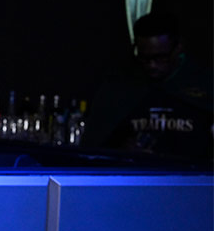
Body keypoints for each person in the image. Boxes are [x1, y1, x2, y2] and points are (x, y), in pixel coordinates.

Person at [84, 11, 213, 165]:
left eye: (160, 58)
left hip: (193, 182)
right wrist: (121, 152)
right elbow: (93, 148)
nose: (152, 65)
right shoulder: (120, 87)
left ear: (178, 48)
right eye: (145, 58)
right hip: (134, 180)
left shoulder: (203, 84)